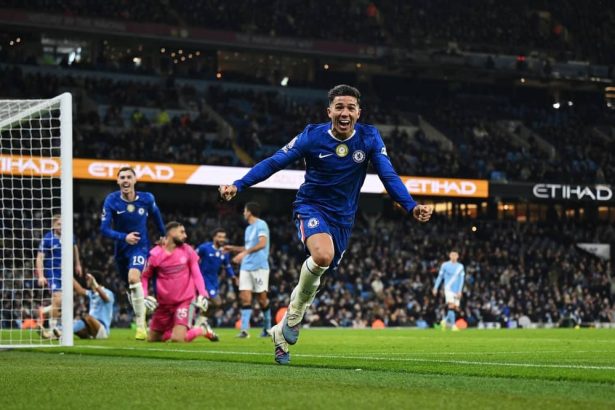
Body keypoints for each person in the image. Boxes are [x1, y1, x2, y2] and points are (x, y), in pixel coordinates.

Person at [219, 84, 434, 364]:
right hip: (311, 206)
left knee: (320, 274)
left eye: (350, 108)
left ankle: (281, 331)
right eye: (339, 107)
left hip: (343, 219)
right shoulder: (312, 136)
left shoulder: (369, 137)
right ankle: (294, 318)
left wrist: (411, 205)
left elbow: (388, 176)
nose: (345, 113)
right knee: (322, 255)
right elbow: (275, 162)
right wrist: (239, 184)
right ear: (329, 111)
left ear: (358, 112)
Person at [100, 166, 165, 340]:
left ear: (135, 180)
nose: (126, 180)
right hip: (121, 249)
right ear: (118, 181)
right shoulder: (112, 200)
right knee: (130, 289)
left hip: (140, 247)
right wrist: (124, 237)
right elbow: (104, 229)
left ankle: (141, 326)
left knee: (133, 278)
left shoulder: (147, 198)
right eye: (122, 177)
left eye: (129, 177)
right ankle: (144, 304)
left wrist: (163, 234)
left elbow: (156, 216)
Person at [141, 221, 217, 343]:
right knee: (153, 339)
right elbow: (144, 276)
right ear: (171, 233)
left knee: (178, 339)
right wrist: (144, 296)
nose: (185, 235)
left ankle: (200, 330)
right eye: (182, 232)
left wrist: (203, 294)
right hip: (164, 304)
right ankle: (189, 330)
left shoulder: (188, 250)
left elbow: (197, 274)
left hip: (185, 301)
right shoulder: (155, 254)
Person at [224, 202, 271, 338]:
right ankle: (244, 331)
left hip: (259, 266)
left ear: (249, 212)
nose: (243, 213)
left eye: (245, 211)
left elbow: (262, 244)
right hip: (246, 266)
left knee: (262, 300)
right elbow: (248, 248)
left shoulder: (261, 224)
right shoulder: (248, 229)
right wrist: (232, 248)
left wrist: (244, 253)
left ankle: (267, 328)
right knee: (245, 298)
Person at [35, 214, 83, 339]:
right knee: (57, 297)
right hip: (52, 272)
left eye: (63, 224)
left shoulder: (69, 236)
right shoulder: (48, 238)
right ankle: (53, 328)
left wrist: (78, 264)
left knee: (66, 301)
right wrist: (41, 276)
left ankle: (45, 311)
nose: (61, 227)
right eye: (59, 224)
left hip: (66, 272)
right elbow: (39, 257)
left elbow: (75, 248)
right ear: (53, 225)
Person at [196, 228, 236, 325]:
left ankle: (200, 321)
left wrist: (233, 276)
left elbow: (227, 265)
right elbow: (192, 256)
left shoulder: (224, 252)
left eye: (223, 237)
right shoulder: (205, 248)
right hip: (203, 279)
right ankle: (199, 318)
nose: (222, 239)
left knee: (216, 304)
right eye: (219, 237)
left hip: (214, 281)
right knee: (217, 302)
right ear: (214, 237)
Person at [73, 272, 115, 339]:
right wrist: (69, 276)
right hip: (91, 327)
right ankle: (64, 331)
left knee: (87, 317)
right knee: (77, 327)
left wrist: (94, 283)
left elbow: (105, 298)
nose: (86, 281)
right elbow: (79, 290)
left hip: (102, 329)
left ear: (93, 280)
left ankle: (63, 333)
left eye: (88, 279)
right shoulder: (91, 293)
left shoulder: (108, 292)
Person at [432, 250, 465, 331]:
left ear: (458, 256)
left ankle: (443, 322)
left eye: (455, 255)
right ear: (449, 256)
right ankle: (453, 326)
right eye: (452, 255)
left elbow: (461, 279)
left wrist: (460, 290)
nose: (453, 256)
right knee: (451, 306)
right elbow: (440, 277)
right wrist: (435, 287)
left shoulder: (460, 266)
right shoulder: (445, 265)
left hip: (456, 290)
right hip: (448, 288)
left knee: (455, 308)